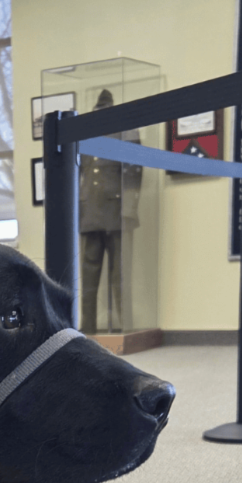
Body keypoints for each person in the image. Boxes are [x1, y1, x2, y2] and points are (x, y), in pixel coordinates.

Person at [78, 88, 142, 333]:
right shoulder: (83, 134)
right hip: (90, 212)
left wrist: (129, 208)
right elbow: (78, 175)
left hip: (117, 213)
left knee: (120, 276)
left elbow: (134, 173)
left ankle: (124, 326)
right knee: (89, 278)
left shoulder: (126, 130)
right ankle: (88, 328)